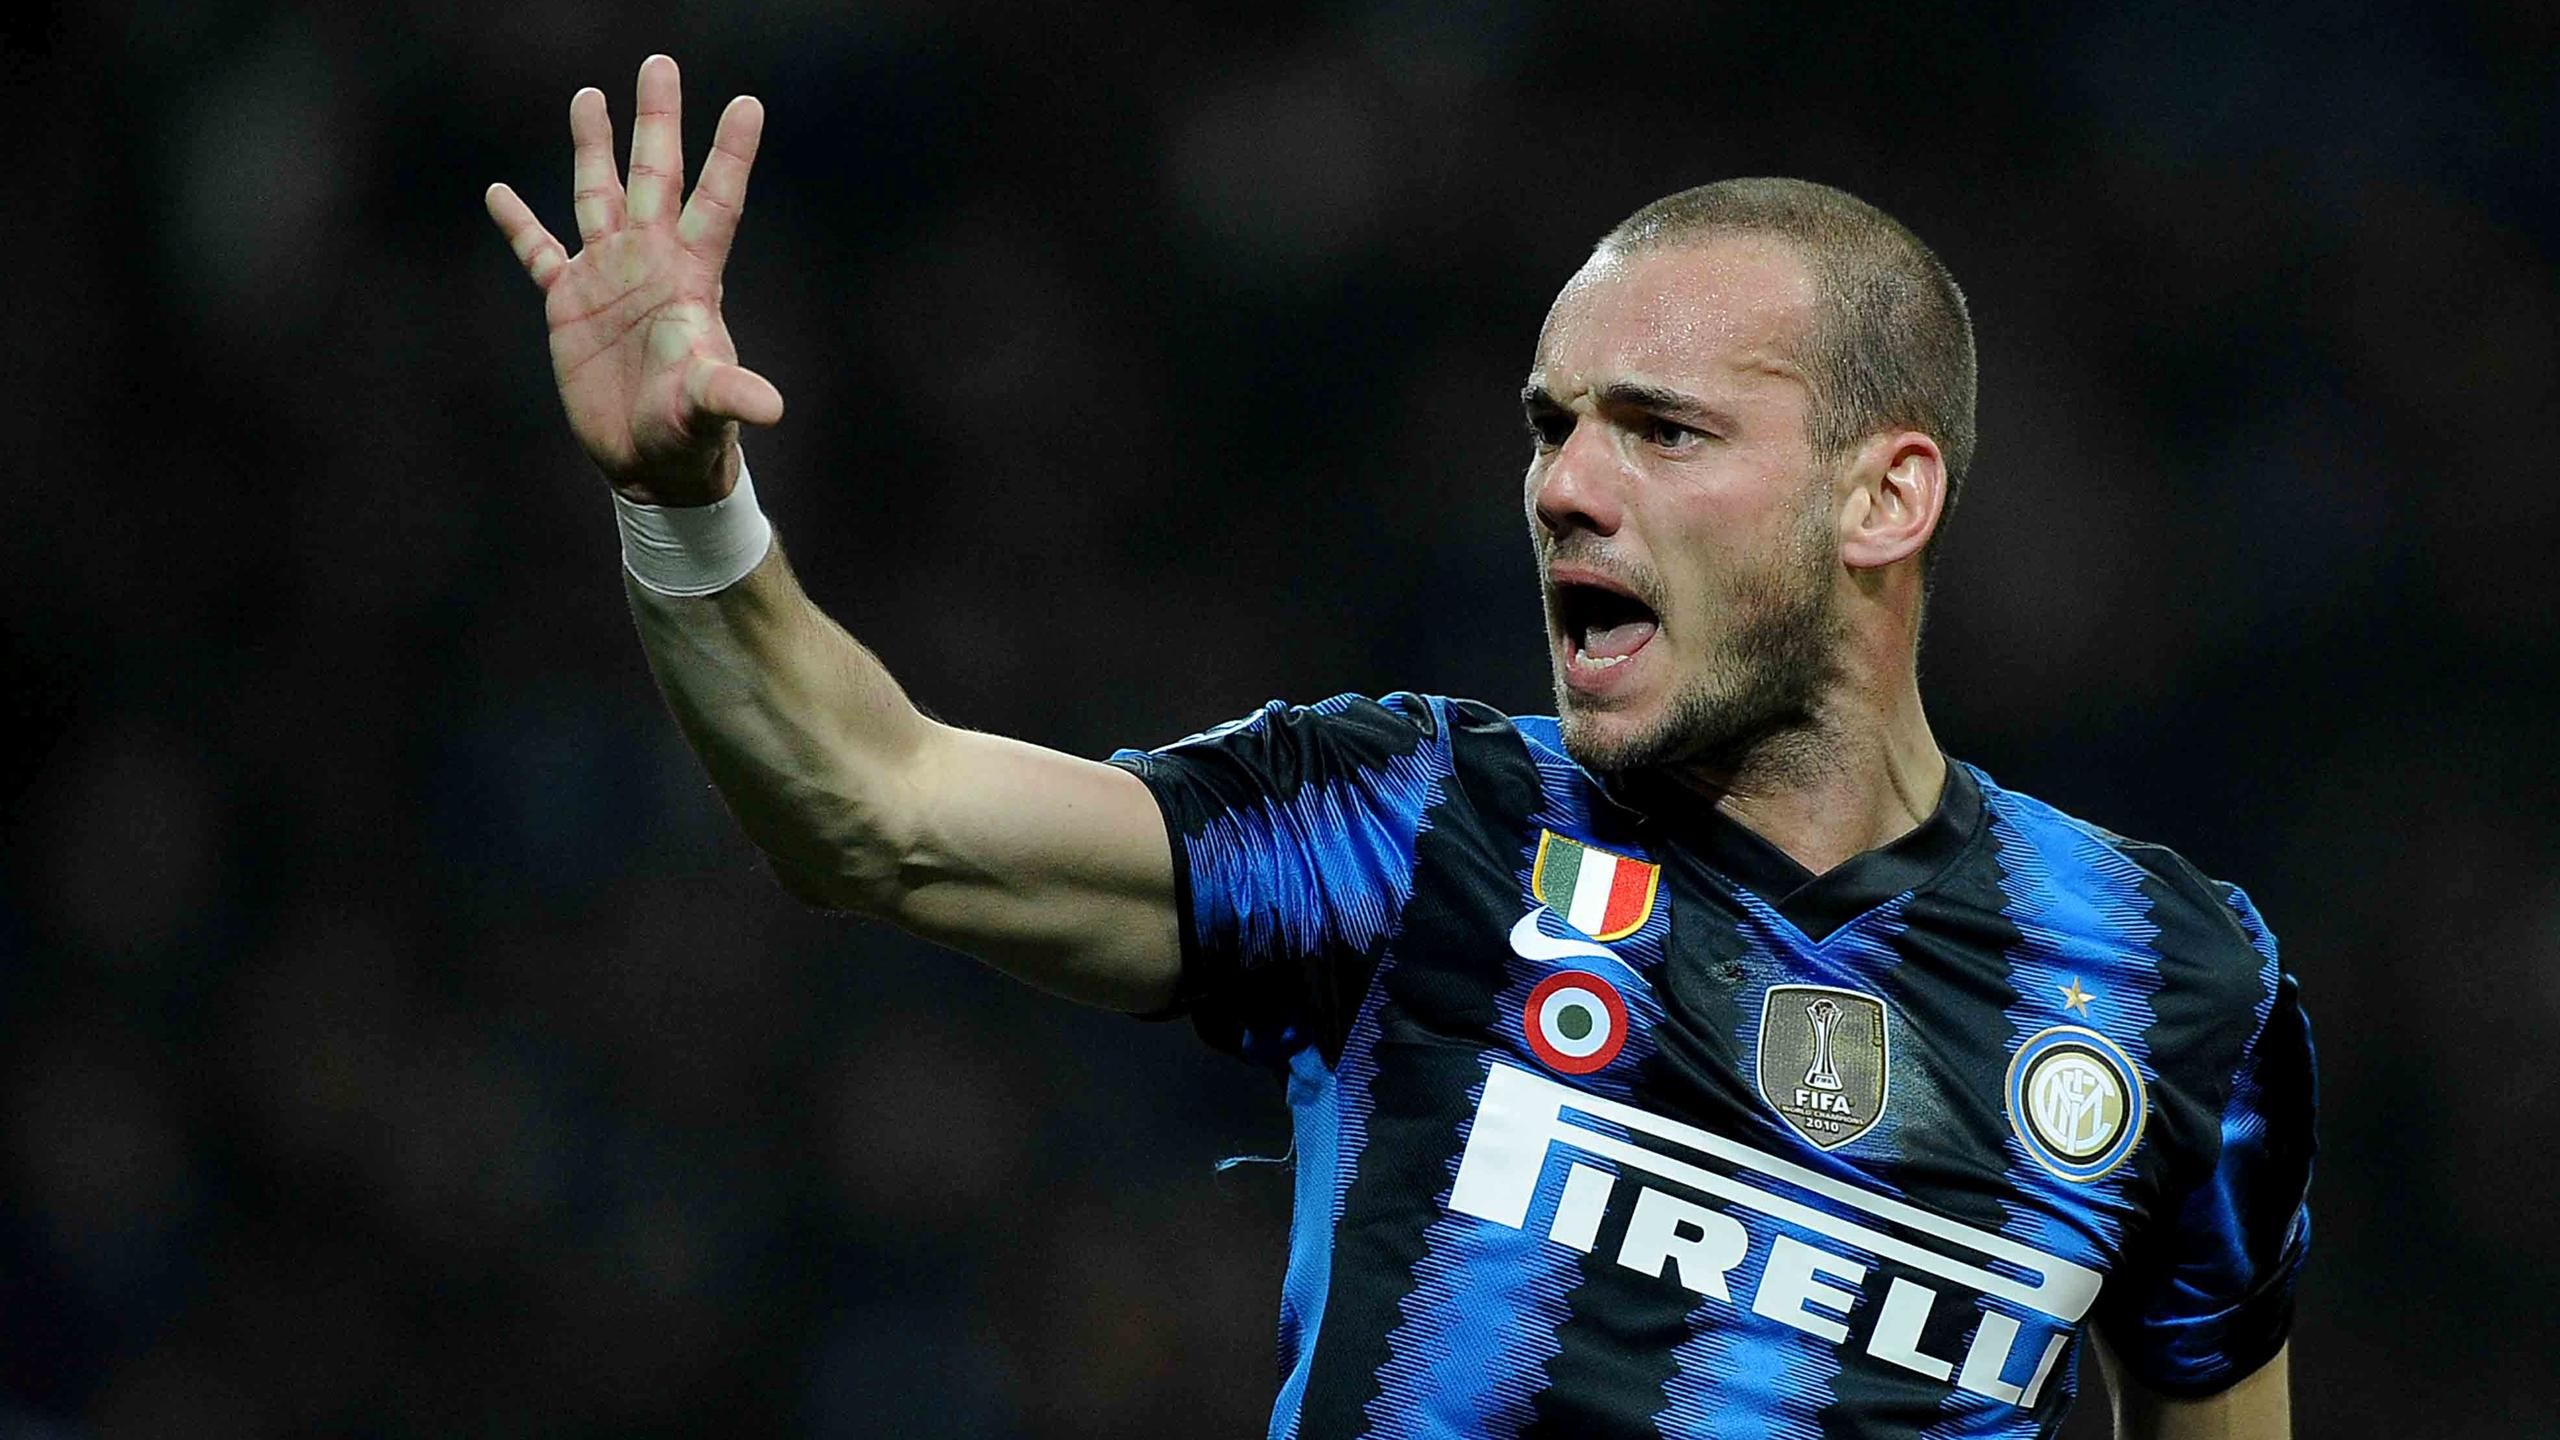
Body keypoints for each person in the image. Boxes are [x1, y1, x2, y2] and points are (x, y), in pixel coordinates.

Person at [485, 54, 2315, 1440]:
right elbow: (872, 809)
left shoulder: (2175, 991)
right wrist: (686, 504)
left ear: (1884, 496)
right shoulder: (1421, 823)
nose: (1566, 486)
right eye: (1550, 427)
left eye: (1661, 431)